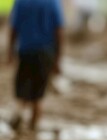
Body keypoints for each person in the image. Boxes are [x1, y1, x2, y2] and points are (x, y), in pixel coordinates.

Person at [7, 0, 65, 131]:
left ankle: (19, 111)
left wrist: (10, 52)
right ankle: (33, 125)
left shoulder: (21, 2)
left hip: (25, 50)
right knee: (38, 93)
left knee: (22, 86)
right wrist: (58, 59)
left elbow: (13, 28)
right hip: (45, 51)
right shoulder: (52, 2)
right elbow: (59, 29)